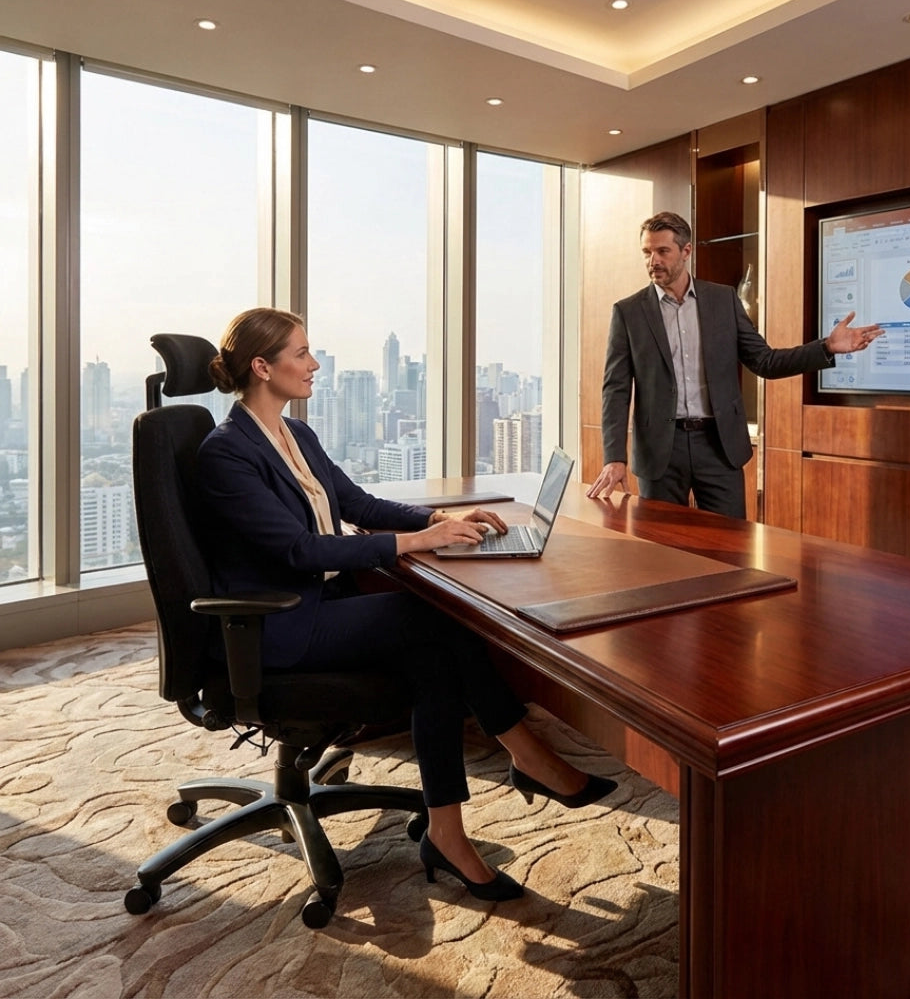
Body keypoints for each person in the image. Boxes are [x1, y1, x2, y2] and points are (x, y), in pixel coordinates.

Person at [197, 307, 615, 903]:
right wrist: (419, 543)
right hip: (279, 623)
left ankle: (448, 830)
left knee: (432, 656)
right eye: (301, 354)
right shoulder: (227, 452)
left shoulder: (296, 435)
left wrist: (439, 520)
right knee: (432, 621)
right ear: (262, 367)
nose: (315, 365)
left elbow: (358, 504)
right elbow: (296, 550)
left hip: (322, 601)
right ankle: (526, 754)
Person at [587, 211, 884, 518]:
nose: (653, 261)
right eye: (647, 252)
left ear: (686, 251)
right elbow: (616, 390)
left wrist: (826, 347)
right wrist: (614, 457)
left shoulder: (723, 300)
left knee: (730, 550)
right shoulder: (628, 312)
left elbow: (765, 361)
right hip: (660, 451)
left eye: (663, 251)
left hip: (719, 447)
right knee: (662, 556)